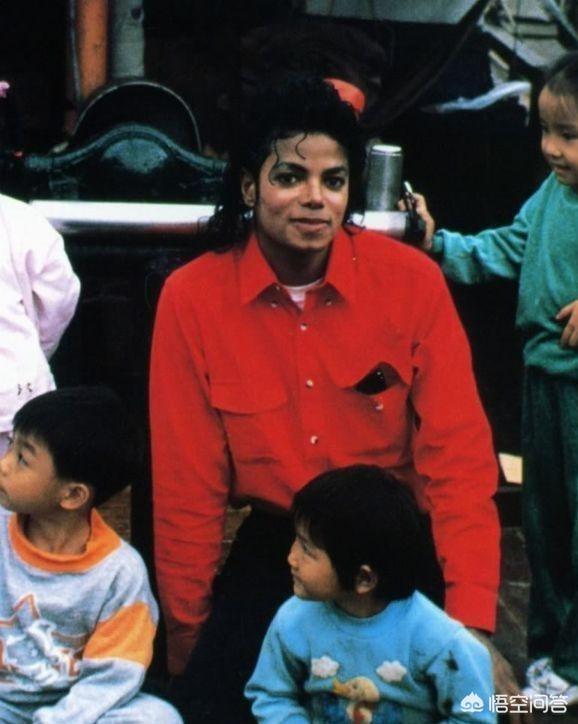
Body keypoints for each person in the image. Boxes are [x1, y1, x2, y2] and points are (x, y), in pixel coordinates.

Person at [149, 73, 502, 722]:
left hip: (395, 551)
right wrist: (191, 650)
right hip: (283, 553)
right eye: (290, 177)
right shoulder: (191, 299)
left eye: (333, 180)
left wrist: (473, 621)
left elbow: (459, 465)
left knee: (473, 702)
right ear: (249, 186)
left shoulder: (414, 284)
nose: (315, 198)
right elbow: (185, 492)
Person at [414, 51, 578, 705]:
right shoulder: (552, 196)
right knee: (544, 523)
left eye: (570, 135)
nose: (553, 148)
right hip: (542, 379)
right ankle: (548, 651)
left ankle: (572, 663)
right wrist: (438, 246)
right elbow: (507, 246)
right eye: (546, 131)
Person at [246, 464, 495, 723]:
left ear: (364, 579)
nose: (291, 558)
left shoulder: (440, 641)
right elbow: (272, 695)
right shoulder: (293, 620)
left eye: (307, 550)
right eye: (296, 540)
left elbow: (473, 717)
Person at [0, 386, 182, 724]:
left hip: (76, 709)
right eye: (11, 446)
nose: (4, 465)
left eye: (22, 458)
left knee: (158, 717)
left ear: (72, 495)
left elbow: (112, 676)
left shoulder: (119, 573)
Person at [0, 189, 80, 456]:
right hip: (14, 393)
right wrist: (31, 351)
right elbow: (59, 300)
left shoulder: (21, 219)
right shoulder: (20, 218)